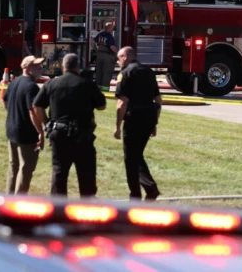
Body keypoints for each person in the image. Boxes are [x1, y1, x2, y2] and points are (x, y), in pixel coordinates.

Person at [32, 54, 106, 197]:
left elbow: (37, 106)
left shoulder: (52, 84)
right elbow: (101, 106)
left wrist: (47, 123)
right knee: (86, 175)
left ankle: (58, 211)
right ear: (78, 66)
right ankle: (87, 210)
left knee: (59, 173)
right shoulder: (87, 84)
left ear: (63, 66)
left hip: (59, 134)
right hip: (82, 135)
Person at [114, 46, 162, 201]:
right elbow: (158, 101)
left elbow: (122, 102)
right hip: (148, 118)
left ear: (126, 56)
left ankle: (136, 195)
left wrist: (117, 127)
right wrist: (154, 122)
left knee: (130, 158)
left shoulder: (125, 73)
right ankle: (149, 188)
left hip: (134, 118)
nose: (118, 60)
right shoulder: (149, 72)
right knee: (137, 155)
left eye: (119, 57)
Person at [2, 55, 45, 194]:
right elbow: (34, 111)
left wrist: (13, 113)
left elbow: (4, 101)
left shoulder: (14, 82)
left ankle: (9, 199)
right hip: (26, 134)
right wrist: (40, 132)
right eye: (36, 66)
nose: (40, 68)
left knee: (13, 165)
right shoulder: (31, 87)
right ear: (26, 67)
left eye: (40, 65)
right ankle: (18, 201)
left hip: (11, 129)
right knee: (26, 168)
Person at [94, 22, 118, 91]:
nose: (113, 28)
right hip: (107, 56)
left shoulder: (100, 34)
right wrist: (118, 53)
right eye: (112, 27)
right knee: (107, 73)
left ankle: (97, 90)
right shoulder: (109, 36)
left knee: (99, 72)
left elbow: (93, 41)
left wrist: (96, 50)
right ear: (109, 27)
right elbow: (112, 47)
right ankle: (105, 90)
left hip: (99, 55)